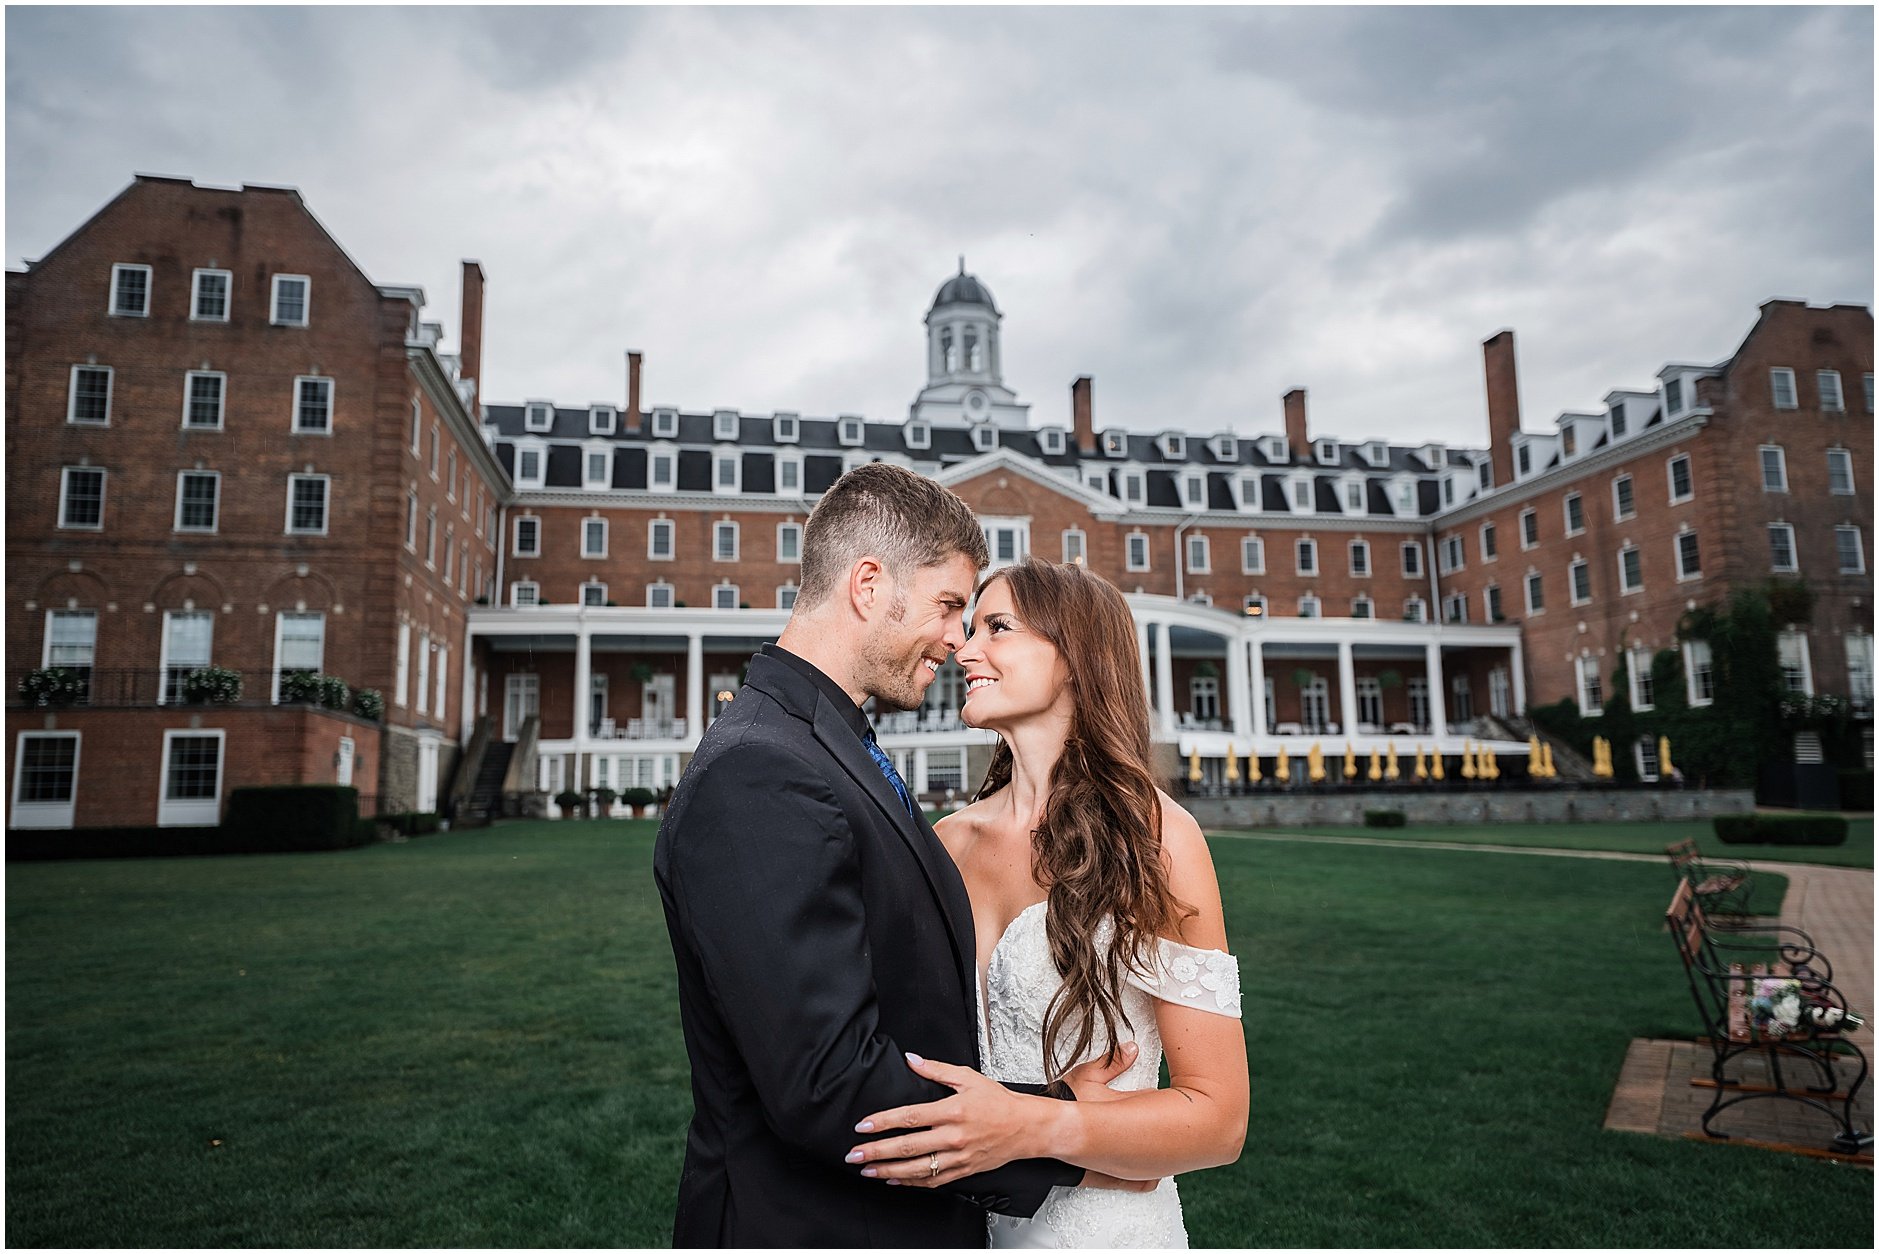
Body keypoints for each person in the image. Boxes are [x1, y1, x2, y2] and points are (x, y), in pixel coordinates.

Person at [653, 465, 1134, 1248]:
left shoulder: (828, 742)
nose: (958, 638)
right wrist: (1058, 1132)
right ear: (869, 585)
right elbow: (826, 1084)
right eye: (949, 606)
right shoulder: (762, 768)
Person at [841, 557, 1249, 1247]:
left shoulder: (1154, 839)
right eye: (968, 629)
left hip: (1105, 1229)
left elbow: (1219, 1121)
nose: (964, 649)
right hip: (958, 1220)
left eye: (997, 627)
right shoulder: (943, 843)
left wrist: (1050, 1122)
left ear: (1075, 656)